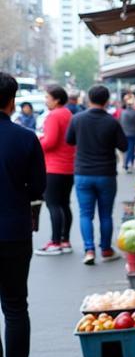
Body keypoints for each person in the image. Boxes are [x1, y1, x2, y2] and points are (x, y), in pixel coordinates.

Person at [0, 72, 46, 357]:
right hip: (15, 230)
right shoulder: (26, 138)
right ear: (12, 100)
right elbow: (39, 188)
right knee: (15, 305)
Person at [66, 83, 126, 265]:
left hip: (83, 173)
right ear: (107, 101)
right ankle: (106, 250)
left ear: (89, 99)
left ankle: (89, 251)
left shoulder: (77, 119)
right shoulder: (112, 121)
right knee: (106, 214)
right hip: (106, 174)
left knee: (85, 214)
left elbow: (69, 140)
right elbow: (124, 146)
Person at [35, 85, 76, 256]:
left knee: (53, 204)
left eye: (47, 98)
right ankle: (65, 240)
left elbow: (50, 142)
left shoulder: (53, 116)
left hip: (53, 167)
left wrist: (37, 143)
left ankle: (55, 242)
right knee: (64, 204)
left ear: (56, 99)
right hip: (69, 166)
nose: (46, 101)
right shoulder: (68, 114)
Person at [120, 92, 135, 172]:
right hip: (133, 133)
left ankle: (129, 163)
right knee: (131, 149)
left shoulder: (123, 113)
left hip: (125, 133)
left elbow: (120, 122)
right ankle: (127, 164)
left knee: (128, 149)